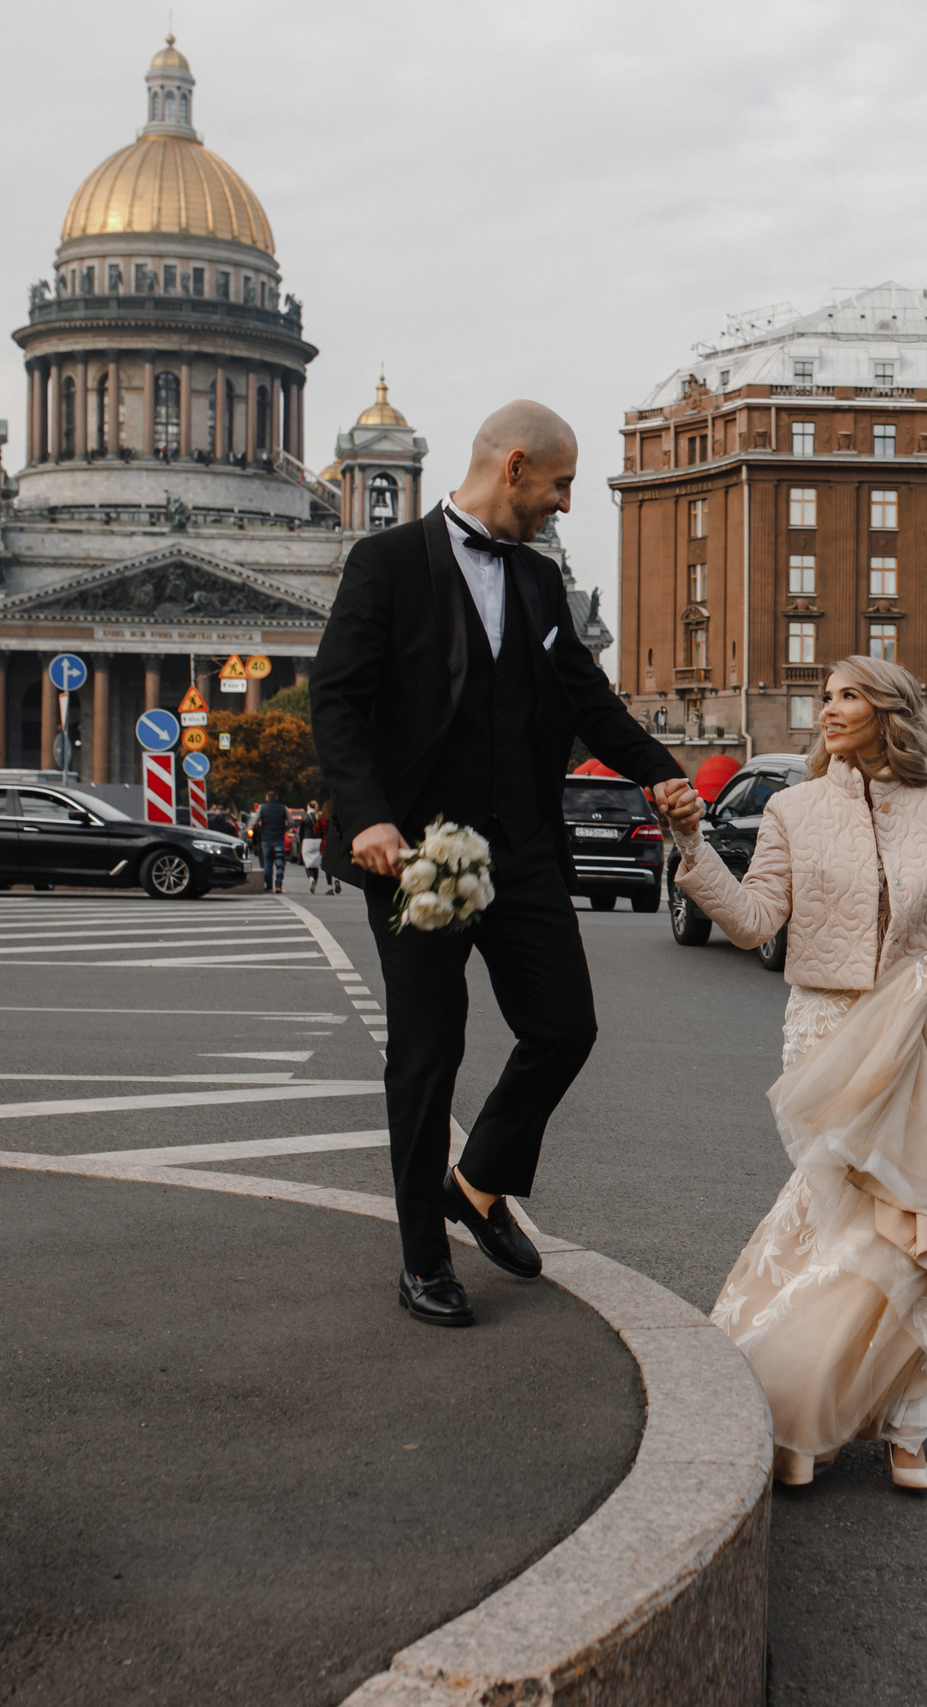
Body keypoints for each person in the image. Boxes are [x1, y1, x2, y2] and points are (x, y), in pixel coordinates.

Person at [313, 400, 694, 1328]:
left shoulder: (535, 580)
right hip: (415, 859)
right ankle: (421, 1257)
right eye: (561, 484)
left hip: (518, 850)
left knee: (565, 1026)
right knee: (428, 1052)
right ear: (516, 467)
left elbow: (589, 703)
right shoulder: (386, 563)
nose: (566, 502)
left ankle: (477, 1180)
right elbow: (339, 699)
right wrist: (366, 817)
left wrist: (664, 775)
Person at [660, 656, 927, 1494]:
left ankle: (908, 1421)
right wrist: (692, 846)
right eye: (825, 696)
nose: (830, 708)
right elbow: (752, 921)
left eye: (848, 694)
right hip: (825, 1031)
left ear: (889, 709)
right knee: (838, 1223)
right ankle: (798, 1409)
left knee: (920, 1231)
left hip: (922, 1032)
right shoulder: (792, 808)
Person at [254, 790, 292, 893]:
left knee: (267, 862)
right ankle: (279, 885)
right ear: (276, 798)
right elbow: (291, 822)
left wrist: (261, 829)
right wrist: (284, 828)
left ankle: (269, 886)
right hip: (279, 838)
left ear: (267, 798)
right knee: (279, 862)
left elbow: (254, 823)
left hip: (266, 839)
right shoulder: (283, 808)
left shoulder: (262, 808)